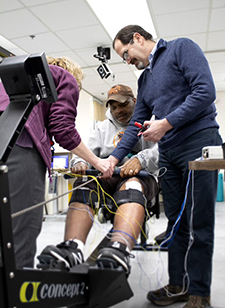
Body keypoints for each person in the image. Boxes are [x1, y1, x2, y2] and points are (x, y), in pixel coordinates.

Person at [107, 25, 223, 308]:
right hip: (169, 152)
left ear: (137, 38)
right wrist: (113, 158)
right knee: (176, 223)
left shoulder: (181, 48)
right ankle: (178, 284)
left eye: (125, 54)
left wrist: (166, 123)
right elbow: (136, 125)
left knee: (199, 222)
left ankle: (199, 292)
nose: (127, 60)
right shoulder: (145, 80)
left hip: (199, 142)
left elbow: (205, 91)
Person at [0, 56, 112, 269]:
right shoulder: (64, 77)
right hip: (19, 147)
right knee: (21, 231)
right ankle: (17, 297)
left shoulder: (10, 80)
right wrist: (98, 163)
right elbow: (63, 130)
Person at [37, 84, 159, 276]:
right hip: (110, 176)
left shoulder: (150, 122)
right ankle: (73, 247)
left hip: (142, 177)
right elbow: (86, 151)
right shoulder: (101, 128)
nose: (118, 110)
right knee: (84, 185)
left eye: (123, 105)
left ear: (134, 102)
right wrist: (79, 162)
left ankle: (120, 249)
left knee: (132, 185)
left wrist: (140, 160)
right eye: (113, 107)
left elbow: (162, 151)